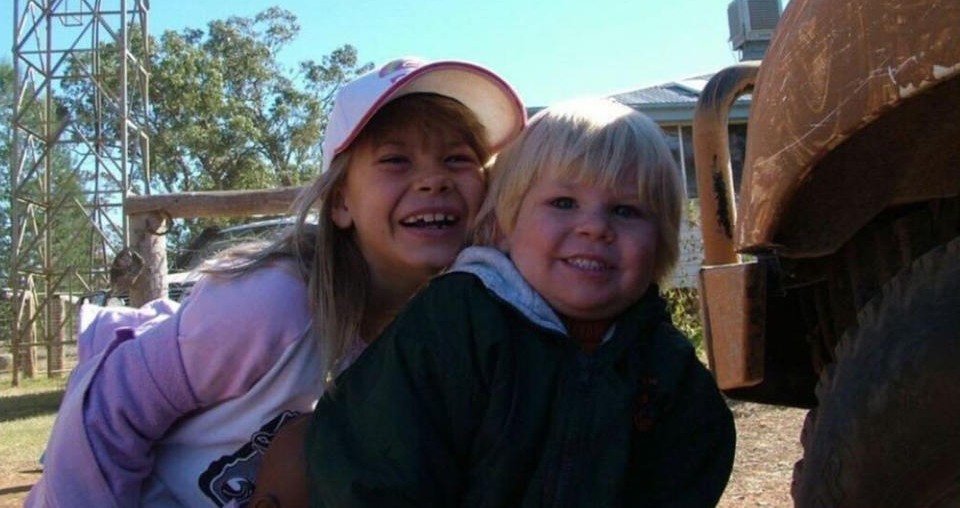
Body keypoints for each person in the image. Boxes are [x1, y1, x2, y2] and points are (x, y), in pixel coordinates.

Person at [26, 56, 526, 508]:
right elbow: (109, 407)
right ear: (340, 203)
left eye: (458, 159)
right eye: (396, 160)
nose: (432, 180)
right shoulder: (274, 304)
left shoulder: (455, 334)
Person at [302, 97, 735, 507]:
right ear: (500, 227)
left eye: (626, 210)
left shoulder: (666, 370)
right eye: (563, 203)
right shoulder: (457, 326)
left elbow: (690, 470)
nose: (594, 228)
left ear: (660, 244)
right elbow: (370, 475)